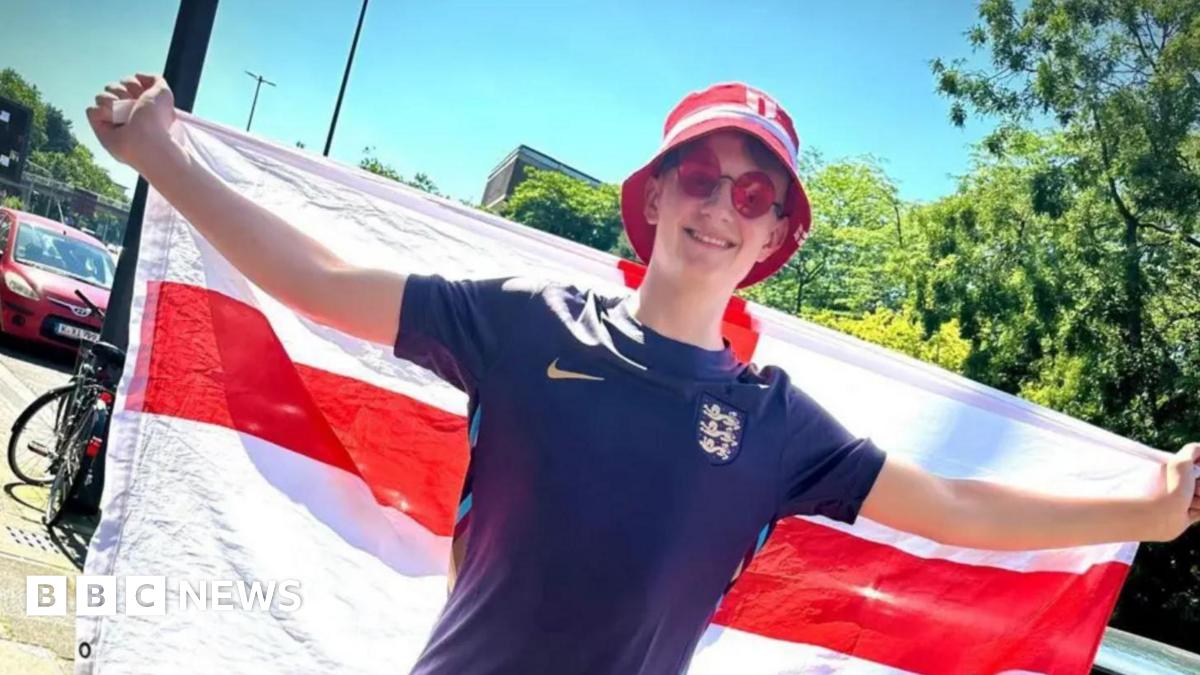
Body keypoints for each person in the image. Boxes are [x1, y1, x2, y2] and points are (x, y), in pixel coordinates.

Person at [87, 74, 1200, 674]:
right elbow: (323, 280)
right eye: (703, 178)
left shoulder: (775, 425)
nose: (724, 206)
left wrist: (1139, 515)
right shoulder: (524, 326)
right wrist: (165, 159)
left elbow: (952, 504)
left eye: (755, 195)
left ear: (774, 242)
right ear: (655, 196)